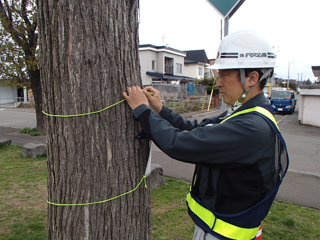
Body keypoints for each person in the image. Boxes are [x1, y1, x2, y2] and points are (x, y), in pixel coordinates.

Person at [123, 30, 288, 240]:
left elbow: (178, 143)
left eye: (224, 75)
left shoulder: (251, 127)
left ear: (252, 78)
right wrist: (160, 109)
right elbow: (195, 129)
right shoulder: (243, 114)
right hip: (216, 228)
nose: (218, 82)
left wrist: (142, 110)